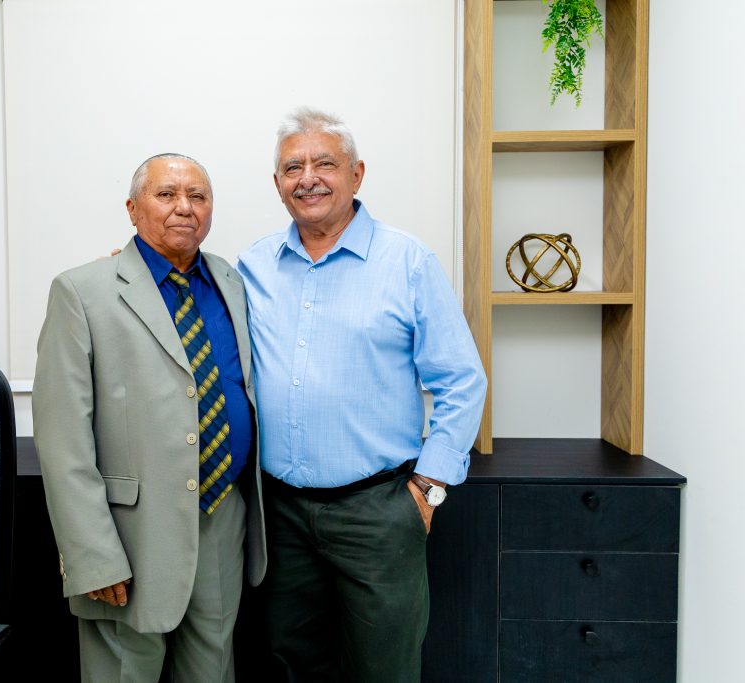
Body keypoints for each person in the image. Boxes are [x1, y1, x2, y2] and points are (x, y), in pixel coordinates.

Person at [237, 108, 487, 683]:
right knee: (291, 663)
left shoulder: (408, 262)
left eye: (324, 163)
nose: (308, 178)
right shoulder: (253, 266)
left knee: (385, 667)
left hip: (379, 511)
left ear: (357, 174)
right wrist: (133, 269)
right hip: (279, 515)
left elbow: (461, 379)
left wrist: (428, 488)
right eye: (292, 167)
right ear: (277, 184)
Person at [33, 153, 266, 683]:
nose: (185, 207)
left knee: (213, 671)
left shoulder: (230, 282)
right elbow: (63, 441)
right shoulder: (81, 291)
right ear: (133, 208)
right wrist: (92, 555)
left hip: (222, 518)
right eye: (166, 195)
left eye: (198, 196)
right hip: (129, 532)